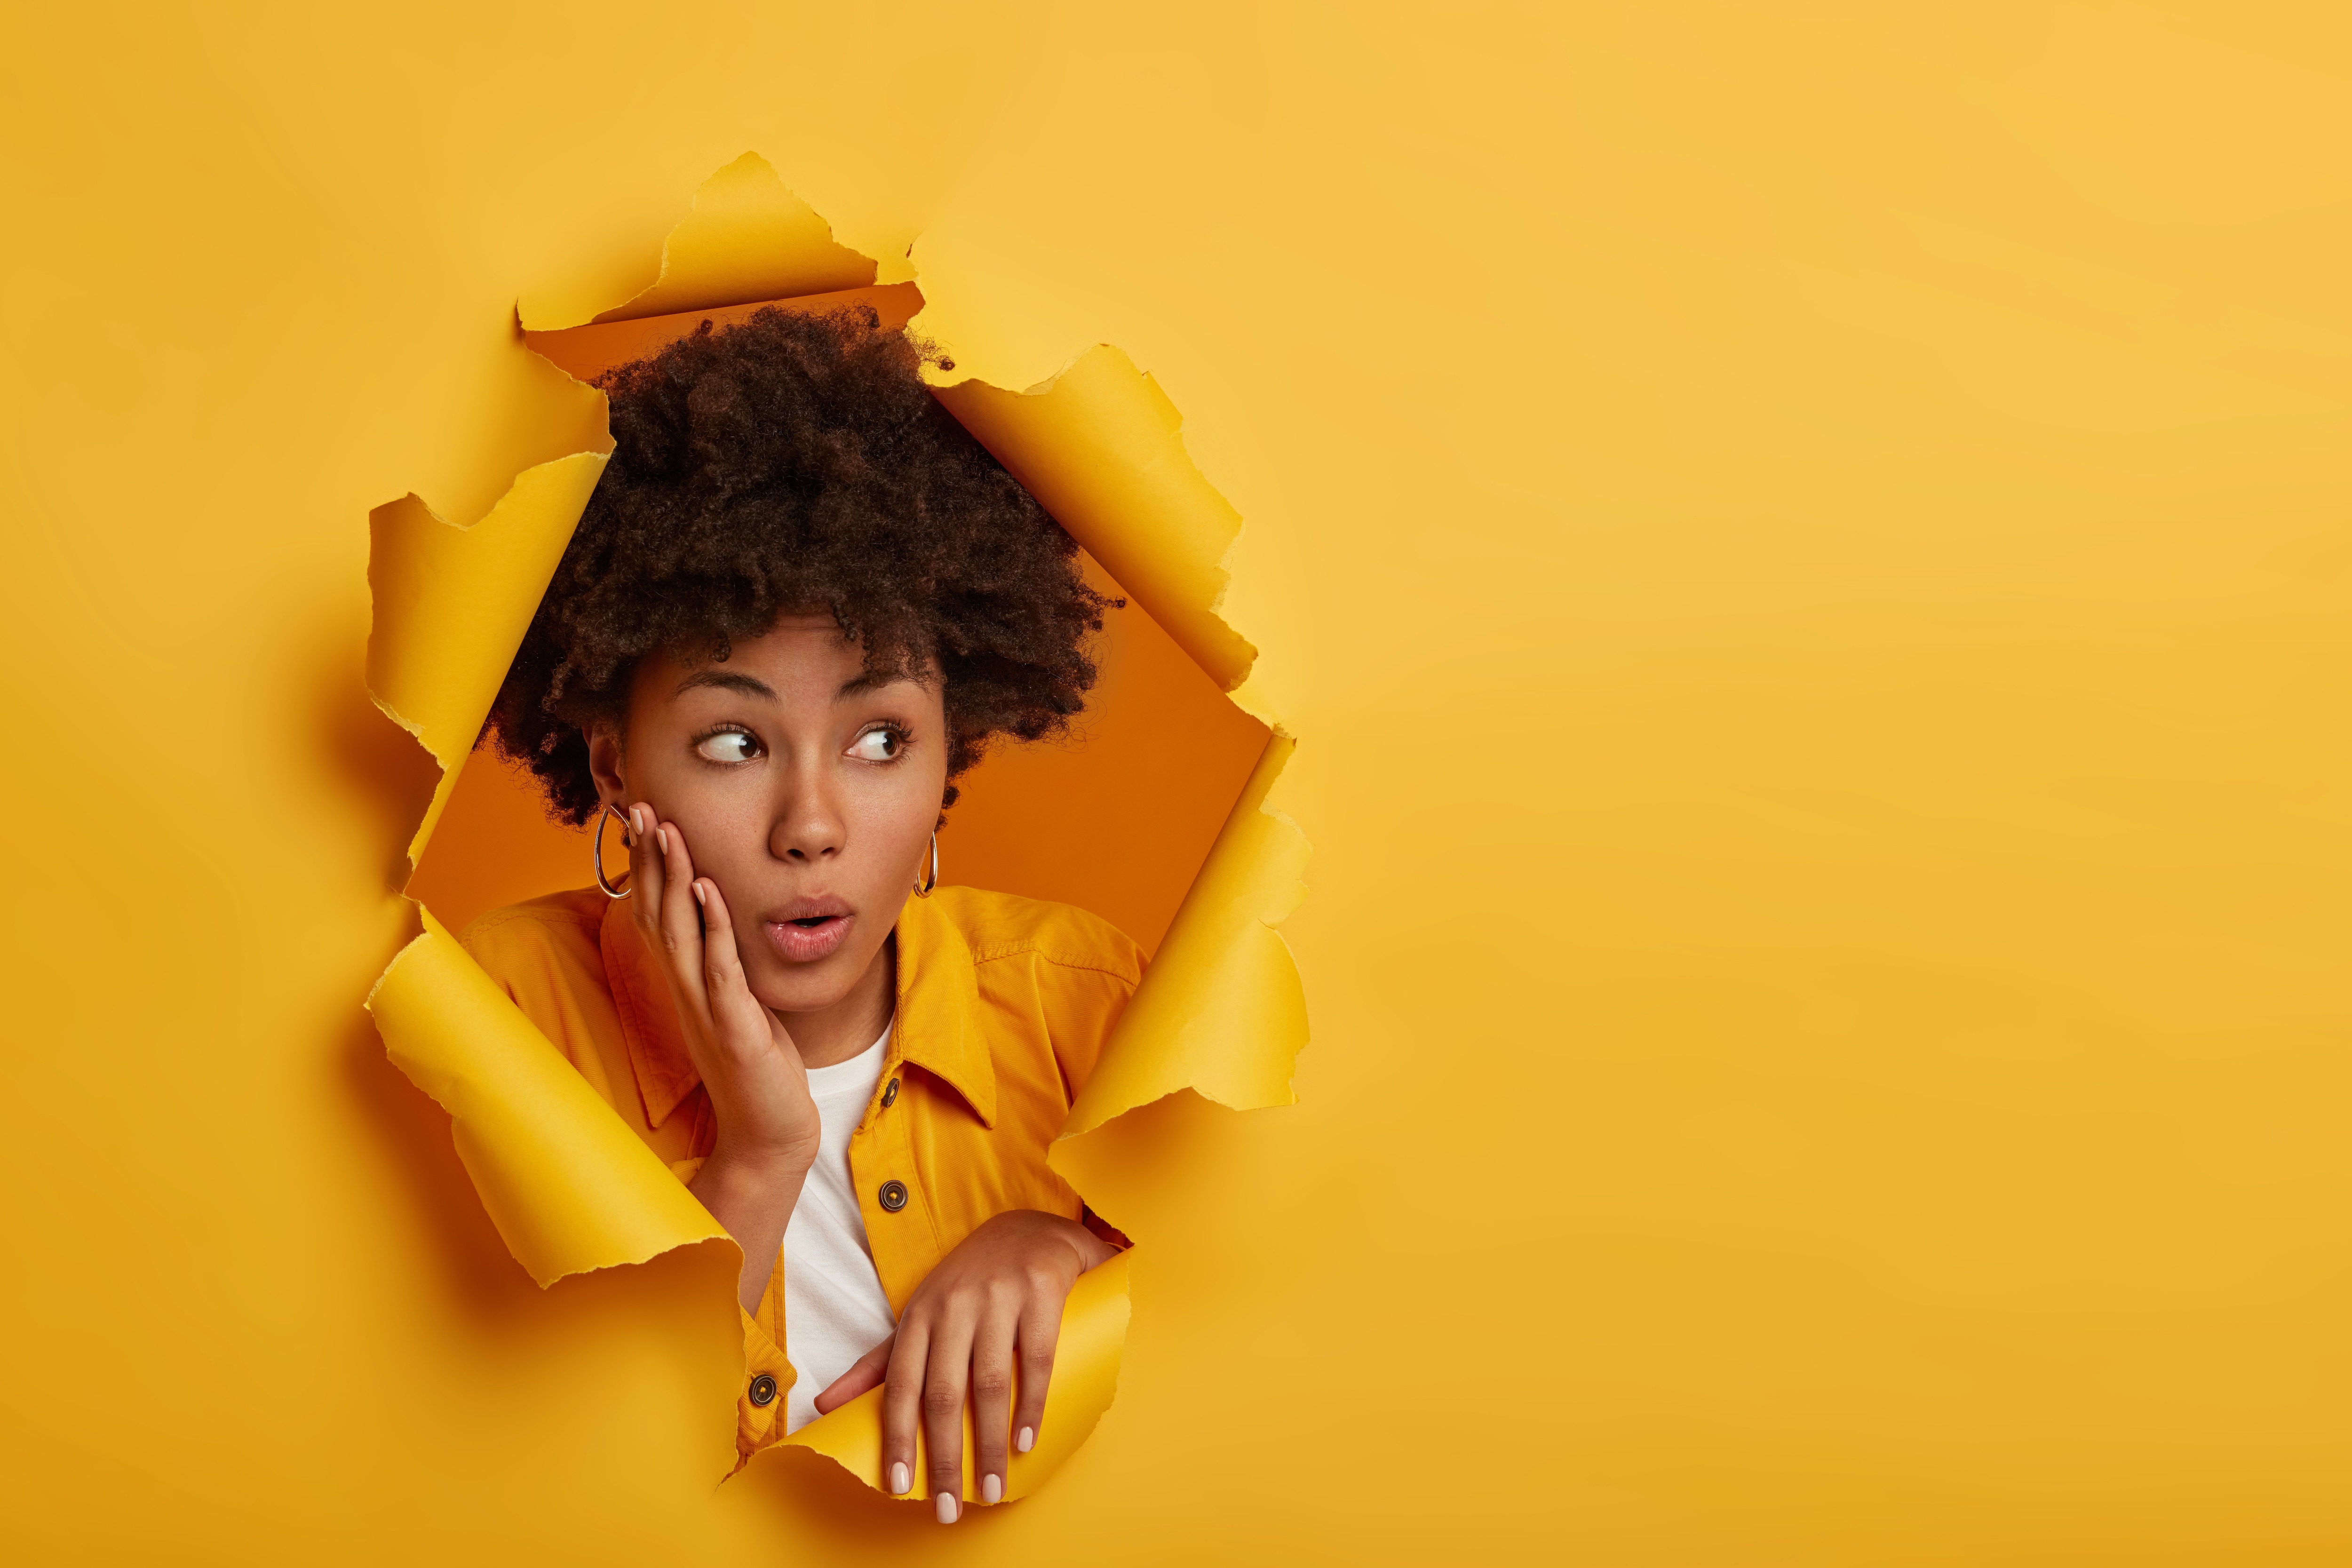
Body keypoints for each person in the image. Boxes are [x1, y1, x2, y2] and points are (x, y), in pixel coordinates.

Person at [459, 305, 1137, 1524]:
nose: (811, 826)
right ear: (614, 767)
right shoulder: (497, 1029)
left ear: (949, 753)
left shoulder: (1085, 1007)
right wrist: (758, 1157)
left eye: (881, 739)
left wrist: (1070, 1254)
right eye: (733, 742)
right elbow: (535, 1503)